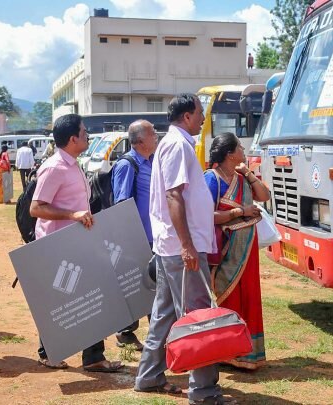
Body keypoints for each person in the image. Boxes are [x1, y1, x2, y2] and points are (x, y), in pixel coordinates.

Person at [134, 94, 223, 404]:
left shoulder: (175, 144)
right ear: (187, 116)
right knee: (196, 316)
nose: (202, 119)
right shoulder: (177, 145)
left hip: (173, 246)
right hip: (180, 247)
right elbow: (174, 196)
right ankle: (203, 391)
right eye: (199, 113)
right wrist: (186, 245)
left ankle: (149, 376)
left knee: (164, 314)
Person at [29, 113, 123, 373]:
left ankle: (93, 356)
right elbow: (36, 208)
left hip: (79, 242)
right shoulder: (54, 167)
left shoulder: (73, 164)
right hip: (57, 245)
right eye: (84, 132)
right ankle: (48, 352)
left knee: (94, 295)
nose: (88, 136)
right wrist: (72, 215)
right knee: (60, 299)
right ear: (72, 138)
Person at [203, 132, 271, 370]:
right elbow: (205, 216)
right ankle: (227, 351)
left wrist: (249, 173)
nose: (244, 150)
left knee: (250, 296)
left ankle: (247, 353)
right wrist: (239, 212)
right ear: (230, 154)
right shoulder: (212, 178)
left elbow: (265, 196)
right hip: (225, 250)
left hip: (247, 249)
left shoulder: (242, 178)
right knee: (229, 297)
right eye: (240, 148)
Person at [111, 119, 158, 351]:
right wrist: (130, 241)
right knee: (138, 286)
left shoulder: (150, 162)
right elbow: (121, 204)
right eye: (152, 133)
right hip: (137, 239)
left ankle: (154, 334)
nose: (156, 136)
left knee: (152, 285)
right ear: (140, 141)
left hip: (153, 237)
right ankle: (125, 333)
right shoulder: (128, 165)